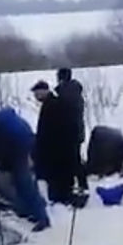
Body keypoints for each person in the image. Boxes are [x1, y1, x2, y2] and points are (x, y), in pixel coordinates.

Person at [0, 107, 50, 232]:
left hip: (17, 146)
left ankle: (42, 217)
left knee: (23, 182)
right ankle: (30, 209)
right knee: (14, 181)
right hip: (18, 143)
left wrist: (1, 162)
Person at [55, 67, 88, 195]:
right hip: (78, 130)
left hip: (69, 132)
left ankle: (77, 185)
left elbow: (63, 114)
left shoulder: (65, 94)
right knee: (76, 159)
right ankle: (81, 183)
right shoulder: (75, 93)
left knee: (72, 160)